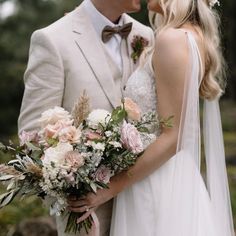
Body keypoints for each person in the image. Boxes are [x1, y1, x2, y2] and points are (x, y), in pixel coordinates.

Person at [67, 0, 235, 235]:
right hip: (168, 175)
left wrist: (111, 188)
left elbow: (173, 136)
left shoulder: (173, 39)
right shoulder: (189, 35)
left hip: (157, 185)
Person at [18, 0, 154, 235]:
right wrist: (73, 195)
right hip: (88, 216)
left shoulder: (145, 35)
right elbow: (31, 136)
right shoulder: (52, 40)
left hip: (146, 205)